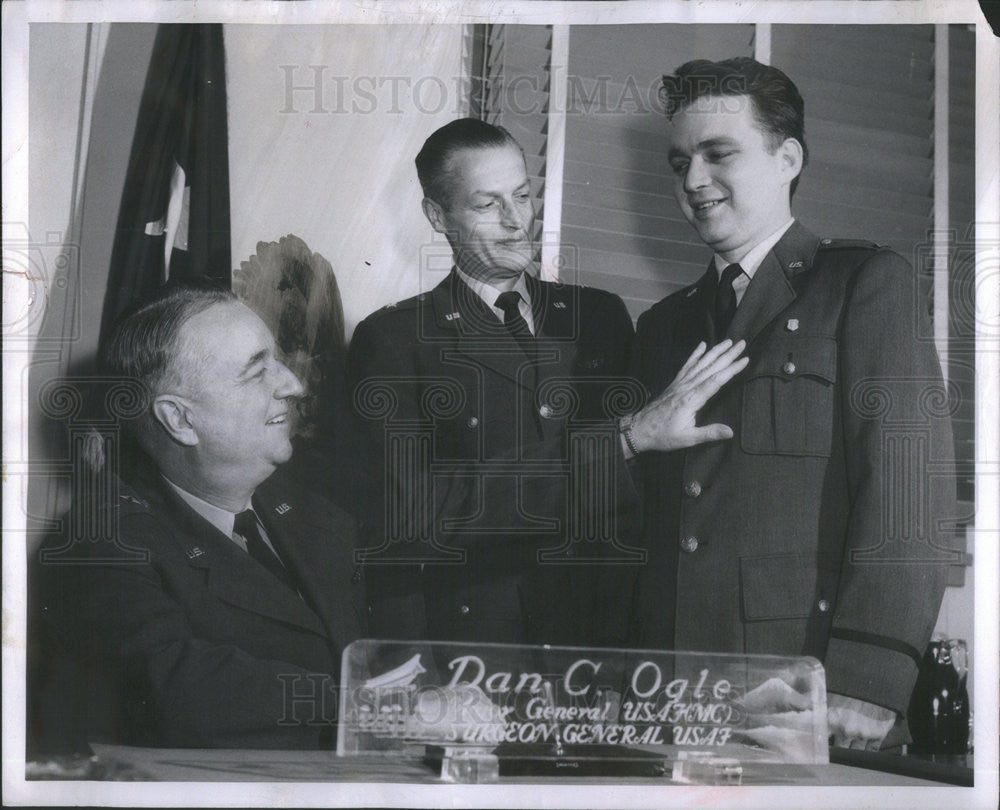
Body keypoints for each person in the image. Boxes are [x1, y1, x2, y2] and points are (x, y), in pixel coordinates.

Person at [628, 57, 958, 750]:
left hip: (806, 693)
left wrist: (867, 678)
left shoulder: (863, 283)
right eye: (679, 161)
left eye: (719, 154)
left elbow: (907, 491)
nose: (692, 180)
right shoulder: (662, 327)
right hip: (670, 695)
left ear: (787, 159)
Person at [348, 118, 746, 647]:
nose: (517, 222)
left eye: (522, 195)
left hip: (600, 640)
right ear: (437, 215)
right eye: (488, 205)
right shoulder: (396, 338)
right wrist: (619, 440)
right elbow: (411, 516)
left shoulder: (599, 317)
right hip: (479, 653)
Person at [30, 283, 366, 751]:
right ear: (181, 421)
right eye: (257, 372)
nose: (292, 384)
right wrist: (376, 706)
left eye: (278, 361)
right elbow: (180, 691)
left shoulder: (319, 516)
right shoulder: (97, 545)